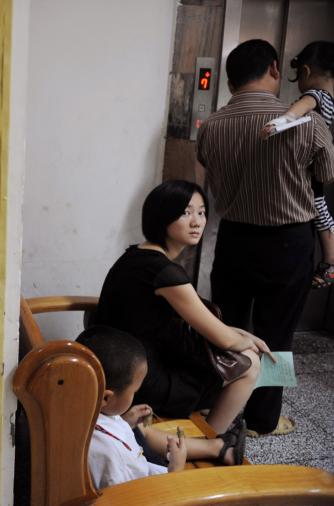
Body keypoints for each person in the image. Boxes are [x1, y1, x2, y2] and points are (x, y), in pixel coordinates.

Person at [197, 40, 334, 436]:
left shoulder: (213, 127)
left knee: (230, 328)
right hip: (289, 244)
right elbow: (325, 174)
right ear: (275, 69)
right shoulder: (309, 122)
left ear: (229, 79)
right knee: (278, 334)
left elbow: (209, 167)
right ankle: (262, 420)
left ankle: (222, 411)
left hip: (234, 239)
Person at [92, 180, 266, 434]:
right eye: (185, 213)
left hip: (121, 362)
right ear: (161, 216)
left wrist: (242, 334)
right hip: (139, 377)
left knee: (231, 352)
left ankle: (204, 432)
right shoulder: (164, 272)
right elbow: (224, 339)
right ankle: (210, 441)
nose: (197, 222)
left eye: (201, 212)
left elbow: (202, 319)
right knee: (250, 363)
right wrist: (249, 343)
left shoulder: (138, 255)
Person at [79, 326, 246, 490]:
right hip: (155, 489)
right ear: (106, 398)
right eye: (134, 391)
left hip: (137, 462)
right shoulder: (110, 455)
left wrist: (124, 422)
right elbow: (132, 499)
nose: (135, 395)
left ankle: (220, 447)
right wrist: (176, 471)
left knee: (140, 429)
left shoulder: (82, 407)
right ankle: (219, 448)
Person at [260, 41, 334, 288]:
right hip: (323, 166)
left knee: (319, 210)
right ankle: (329, 262)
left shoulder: (317, 96)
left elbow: (300, 109)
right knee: (323, 213)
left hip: (313, 171)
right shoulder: (332, 99)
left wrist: (278, 123)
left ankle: (331, 263)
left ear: (305, 72)